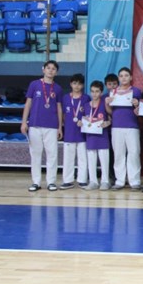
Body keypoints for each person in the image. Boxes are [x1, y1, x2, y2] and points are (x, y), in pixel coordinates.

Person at [22, 60, 64, 192]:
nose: (50, 70)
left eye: (53, 69)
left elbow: (59, 108)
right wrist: (24, 122)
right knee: (35, 154)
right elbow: (28, 103)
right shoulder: (34, 84)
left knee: (52, 154)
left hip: (51, 125)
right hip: (35, 124)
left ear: (56, 72)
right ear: (43, 69)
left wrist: (60, 127)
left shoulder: (58, 88)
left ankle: (51, 182)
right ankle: (36, 182)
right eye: (48, 68)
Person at [105, 67, 142, 190]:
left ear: (131, 77)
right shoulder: (113, 92)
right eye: (121, 76)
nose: (124, 78)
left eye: (126, 75)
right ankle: (120, 180)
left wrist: (137, 104)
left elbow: (139, 111)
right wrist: (107, 103)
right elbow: (110, 111)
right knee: (118, 154)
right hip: (116, 126)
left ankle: (134, 181)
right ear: (119, 78)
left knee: (134, 153)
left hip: (132, 126)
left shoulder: (136, 91)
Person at [80, 80, 111, 190]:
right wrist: (80, 123)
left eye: (97, 91)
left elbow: (111, 117)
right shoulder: (86, 105)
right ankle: (93, 181)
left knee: (104, 161)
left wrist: (108, 122)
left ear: (101, 92)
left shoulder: (104, 104)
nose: (94, 94)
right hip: (90, 137)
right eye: (92, 91)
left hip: (102, 136)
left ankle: (105, 181)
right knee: (91, 160)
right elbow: (83, 119)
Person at [60, 73, 89, 189]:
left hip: (82, 133)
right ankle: (67, 180)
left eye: (79, 84)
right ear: (70, 84)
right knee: (68, 158)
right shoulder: (65, 98)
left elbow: (89, 114)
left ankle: (82, 180)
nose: (77, 86)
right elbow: (62, 114)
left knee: (83, 158)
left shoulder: (86, 98)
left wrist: (84, 122)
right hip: (69, 133)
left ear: (83, 85)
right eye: (74, 83)